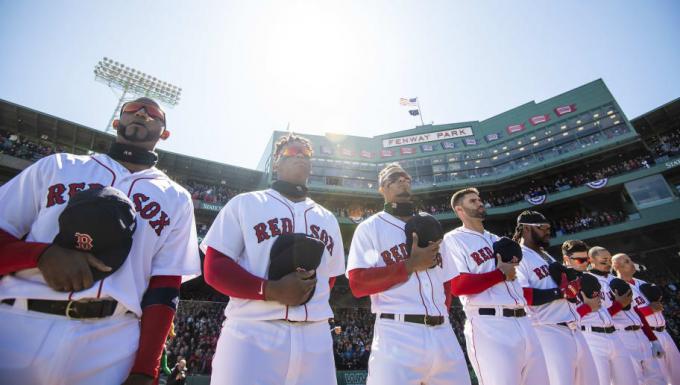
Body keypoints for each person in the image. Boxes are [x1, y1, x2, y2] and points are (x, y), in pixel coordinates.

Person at [0, 97, 201, 385]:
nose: (142, 113)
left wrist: (146, 369)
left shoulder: (177, 198)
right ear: (117, 122)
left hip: (111, 339)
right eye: (132, 109)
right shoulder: (57, 165)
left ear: (164, 133)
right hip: (16, 324)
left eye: (153, 113)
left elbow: (165, 287)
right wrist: (39, 255)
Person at [201, 134, 345, 385]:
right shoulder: (246, 203)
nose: (300, 156)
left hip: (316, 336)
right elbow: (215, 267)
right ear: (276, 163)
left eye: (305, 155)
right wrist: (269, 290)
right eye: (292, 152)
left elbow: (329, 279)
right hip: (253, 331)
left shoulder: (328, 218)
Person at [346, 163, 471, 385]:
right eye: (395, 178)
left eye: (406, 178)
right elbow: (358, 284)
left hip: (444, 333)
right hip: (397, 334)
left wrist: (440, 310)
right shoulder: (369, 228)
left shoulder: (430, 223)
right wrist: (408, 266)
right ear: (382, 188)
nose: (403, 181)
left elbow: (446, 280)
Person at [441, 188, 548, 385]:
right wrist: (499, 274)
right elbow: (457, 286)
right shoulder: (452, 240)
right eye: (473, 201)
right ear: (459, 210)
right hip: (490, 324)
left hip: (524, 321)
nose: (480, 203)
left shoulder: (497, 240)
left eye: (479, 200)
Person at [513, 211, 599, 385]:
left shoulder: (547, 255)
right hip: (547, 331)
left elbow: (565, 290)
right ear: (527, 229)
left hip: (573, 327)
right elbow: (522, 295)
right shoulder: (518, 256)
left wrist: (573, 290)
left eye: (548, 227)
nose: (547, 231)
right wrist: (560, 293)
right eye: (542, 227)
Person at [579, 246, 639, 385]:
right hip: (604, 334)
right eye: (604, 261)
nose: (608, 264)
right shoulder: (588, 281)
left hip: (619, 337)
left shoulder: (617, 280)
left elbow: (634, 310)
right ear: (591, 260)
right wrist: (619, 304)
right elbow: (598, 313)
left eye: (609, 260)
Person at [611, 253, 668, 385]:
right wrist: (650, 309)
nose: (631, 263)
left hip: (662, 332)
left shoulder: (642, 283)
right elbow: (630, 313)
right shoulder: (618, 286)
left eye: (630, 260)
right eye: (626, 261)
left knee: (666, 376)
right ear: (616, 266)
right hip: (642, 334)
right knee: (647, 377)